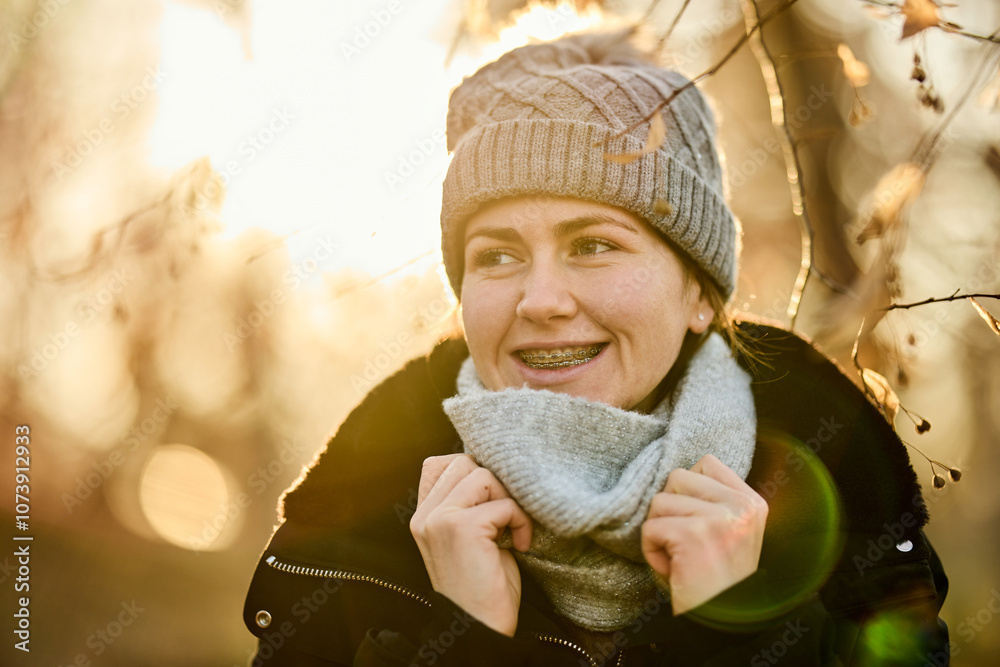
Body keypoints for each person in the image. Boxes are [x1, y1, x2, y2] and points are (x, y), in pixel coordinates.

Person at [243, 30, 950, 666]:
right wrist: (466, 639)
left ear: (699, 295)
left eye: (593, 245)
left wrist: (736, 638)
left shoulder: (854, 553)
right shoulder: (356, 548)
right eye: (496, 255)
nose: (540, 299)